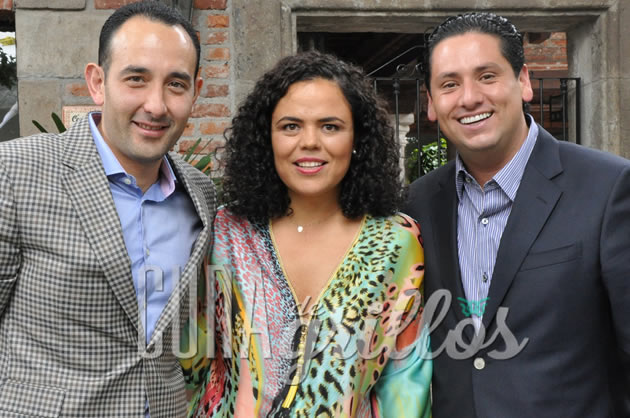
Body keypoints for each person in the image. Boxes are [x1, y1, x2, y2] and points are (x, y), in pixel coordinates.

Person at [405, 12, 630, 418]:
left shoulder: (608, 187)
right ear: (431, 103)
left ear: (523, 81)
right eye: (450, 84)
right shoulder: (417, 204)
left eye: (487, 76)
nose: (469, 98)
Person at [182, 51, 431, 417]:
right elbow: (193, 365)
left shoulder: (396, 242)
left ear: (357, 138)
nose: (310, 141)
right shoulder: (226, 234)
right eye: (290, 126)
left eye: (330, 126)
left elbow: (404, 385)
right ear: (266, 138)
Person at [0, 2, 215, 416]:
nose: (156, 105)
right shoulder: (15, 171)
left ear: (195, 92)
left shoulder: (200, 195)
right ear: (97, 82)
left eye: (176, 84)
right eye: (136, 79)